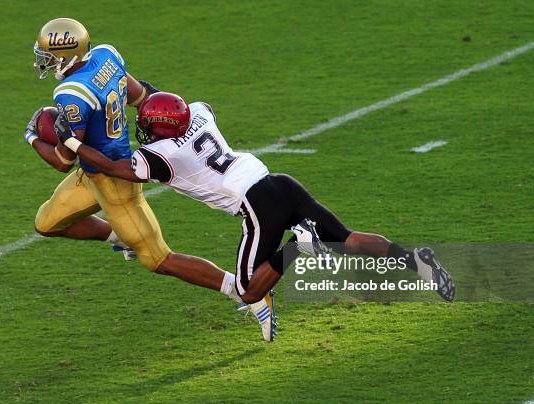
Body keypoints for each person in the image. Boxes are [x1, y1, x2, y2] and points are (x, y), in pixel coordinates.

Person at [54, 91, 456, 311]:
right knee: (346, 238)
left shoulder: (165, 156)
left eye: (146, 127)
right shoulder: (198, 112)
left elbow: (112, 167)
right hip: (279, 182)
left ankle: (296, 248)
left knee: (248, 290)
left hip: (256, 205)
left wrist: (70, 140)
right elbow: (161, 99)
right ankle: (415, 259)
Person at [23, 18, 276, 341]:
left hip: (116, 183)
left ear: (69, 55)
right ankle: (119, 236)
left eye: (51, 55)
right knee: (46, 223)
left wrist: (33, 137)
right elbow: (141, 95)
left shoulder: (71, 94)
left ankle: (248, 294)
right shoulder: (106, 55)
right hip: (92, 175)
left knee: (159, 259)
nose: (46, 61)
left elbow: (63, 159)